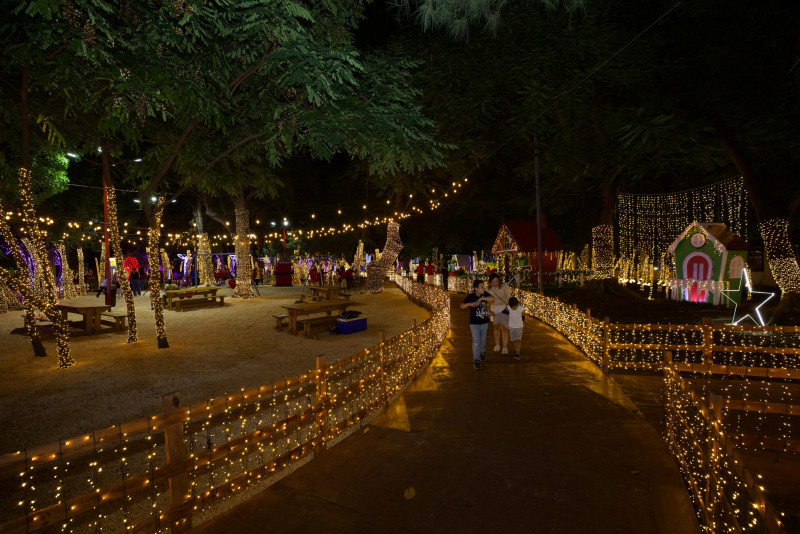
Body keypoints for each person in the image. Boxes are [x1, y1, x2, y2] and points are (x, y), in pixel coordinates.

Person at [460, 279, 494, 370]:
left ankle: (482, 352)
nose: (483, 288)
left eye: (484, 287)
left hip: (484, 322)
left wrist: (481, 298)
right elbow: (462, 306)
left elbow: (493, 298)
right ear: (476, 288)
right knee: (476, 341)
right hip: (474, 323)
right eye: (482, 287)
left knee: (482, 340)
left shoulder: (484, 294)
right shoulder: (470, 296)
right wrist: (469, 304)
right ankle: (476, 360)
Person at [487, 272, 512, 355]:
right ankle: (497, 344)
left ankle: (505, 347)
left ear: (499, 281)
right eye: (493, 282)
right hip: (494, 309)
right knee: (496, 327)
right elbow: (486, 300)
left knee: (504, 328)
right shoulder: (489, 289)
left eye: (497, 281)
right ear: (490, 282)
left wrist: (508, 306)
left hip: (504, 308)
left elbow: (509, 296)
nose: (495, 283)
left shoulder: (504, 286)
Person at [506, 296, 524, 360]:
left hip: (519, 326)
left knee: (518, 340)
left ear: (517, 304)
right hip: (511, 326)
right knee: (513, 340)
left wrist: (522, 322)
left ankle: (517, 352)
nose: (514, 308)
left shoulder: (521, 308)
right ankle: (516, 350)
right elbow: (506, 309)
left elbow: (523, 315)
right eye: (512, 307)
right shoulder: (509, 308)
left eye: (515, 307)